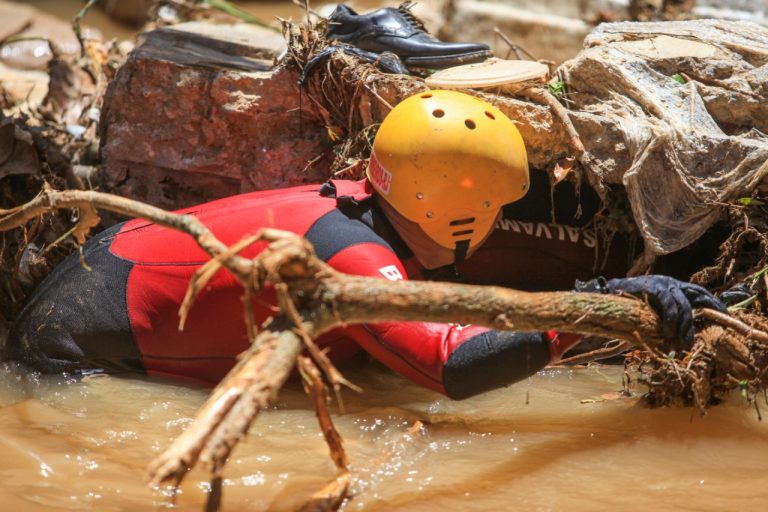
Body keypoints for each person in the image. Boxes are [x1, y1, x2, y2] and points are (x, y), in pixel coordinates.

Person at [3, 91, 726, 399]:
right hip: (70, 348)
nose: (500, 223)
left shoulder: (364, 205)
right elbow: (452, 370)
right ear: (451, 209)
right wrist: (598, 306)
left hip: (100, 278)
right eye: (494, 208)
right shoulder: (349, 252)